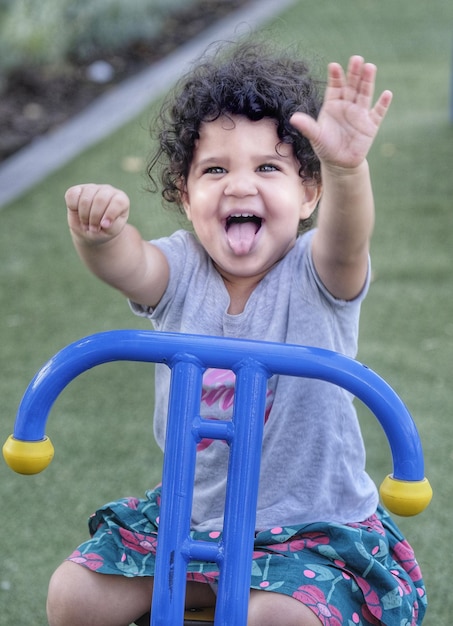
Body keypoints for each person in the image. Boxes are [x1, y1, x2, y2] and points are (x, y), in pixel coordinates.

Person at [46, 41, 427, 626]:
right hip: (190, 520)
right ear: (183, 191)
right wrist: (99, 236)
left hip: (308, 533)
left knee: (277, 618)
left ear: (309, 193)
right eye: (215, 169)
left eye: (268, 168)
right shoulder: (179, 270)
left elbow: (348, 240)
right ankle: (212, 589)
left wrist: (348, 169)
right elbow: (131, 265)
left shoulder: (317, 273)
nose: (240, 185)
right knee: (74, 596)